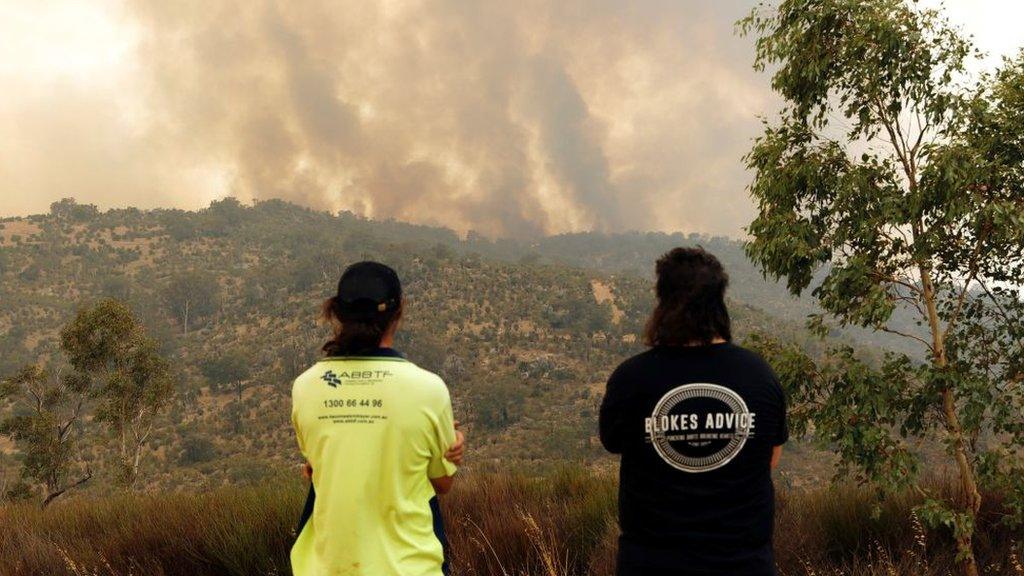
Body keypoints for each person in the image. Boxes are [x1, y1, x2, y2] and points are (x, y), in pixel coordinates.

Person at [599, 247, 788, 576]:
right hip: (743, 565)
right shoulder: (759, 376)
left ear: (663, 301)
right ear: (719, 301)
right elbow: (770, 459)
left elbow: (614, 443)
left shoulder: (631, 379)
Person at [290, 261, 465, 576]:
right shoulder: (428, 389)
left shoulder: (305, 387)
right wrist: (448, 448)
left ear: (336, 314)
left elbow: (315, 467)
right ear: (399, 312)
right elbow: (443, 482)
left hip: (328, 568)